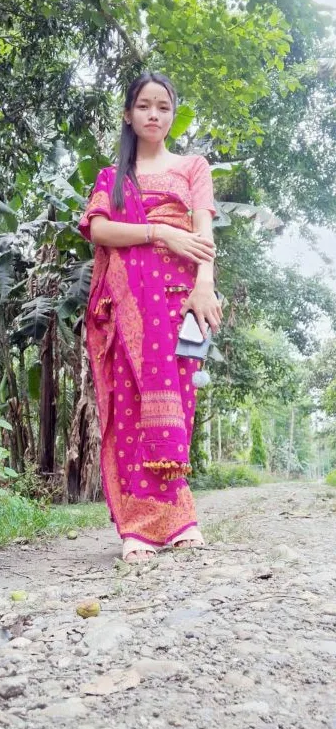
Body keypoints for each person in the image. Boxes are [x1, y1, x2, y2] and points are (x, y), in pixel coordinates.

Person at [78, 71, 223, 564]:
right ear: (128, 114)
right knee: (131, 411)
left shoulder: (193, 166)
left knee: (175, 409)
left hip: (180, 301)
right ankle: (137, 527)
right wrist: (158, 232)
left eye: (163, 106)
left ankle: (180, 518)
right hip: (129, 308)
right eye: (144, 105)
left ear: (173, 114)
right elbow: (98, 230)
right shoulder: (112, 177)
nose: (154, 114)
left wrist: (204, 286)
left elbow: (203, 231)